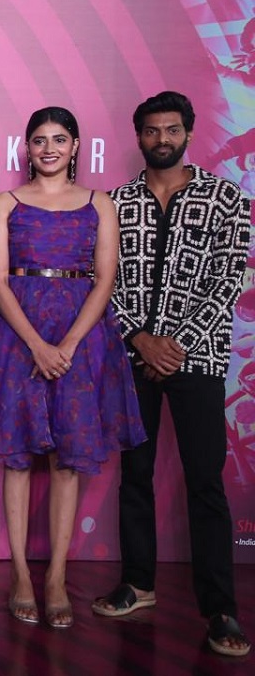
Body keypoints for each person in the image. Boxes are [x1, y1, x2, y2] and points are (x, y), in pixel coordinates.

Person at [0, 107, 145, 628]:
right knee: (16, 459)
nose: (49, 148)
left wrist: (69, 344)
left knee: (66, 461)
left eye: (59, 139)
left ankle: (56, 576)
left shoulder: (99, 203)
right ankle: (19, 574)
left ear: (75, 145)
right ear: (28, 148)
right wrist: (36, 344)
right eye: (40, 140)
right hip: (17, 337)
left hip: (82, 339)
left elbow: (105, 279)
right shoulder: (7, 203)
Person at [91, 91, 251, 658]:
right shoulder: (116, 204)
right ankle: (138, 583)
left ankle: (221, 608)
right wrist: (139, 338)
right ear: (139, 136)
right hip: (131, 356)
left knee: (205, 480)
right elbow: (103, 279)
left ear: (188, 133)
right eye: (153, 130)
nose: (163, 139)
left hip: (197, 358)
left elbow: (228, 280)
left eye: (172, 129)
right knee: (134, 473)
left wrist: (176, 345)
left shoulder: (225, 199)